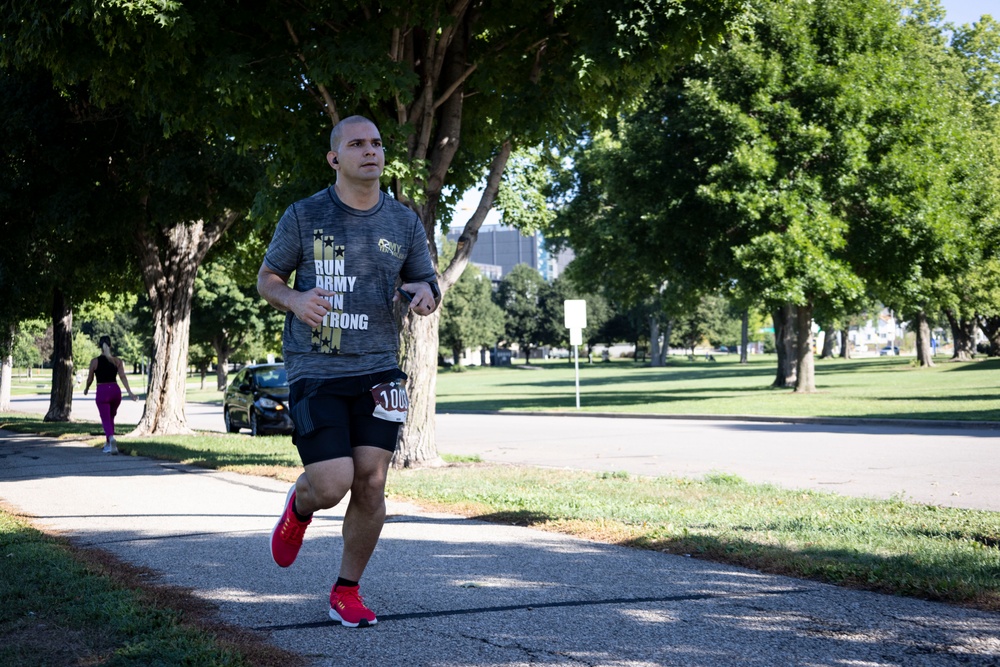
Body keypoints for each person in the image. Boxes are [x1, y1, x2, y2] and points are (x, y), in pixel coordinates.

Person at [257, 115, 440, 628]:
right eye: (356, 144)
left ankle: (346, 590)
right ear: (335, 158)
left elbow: (426, 282)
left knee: (372, 483)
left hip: (381, 367)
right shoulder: (304, 214)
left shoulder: (403, 222)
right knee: (333, 483)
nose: (370, 151)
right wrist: (294, 299)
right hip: (316, 367)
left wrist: (425, 295)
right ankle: (301, 504)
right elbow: (267, 277)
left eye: (377, 143)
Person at [83, 335, 137, 454]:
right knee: (111, 417)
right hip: (115, 391)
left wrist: (86, 388)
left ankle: (111, 439)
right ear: (110, 345)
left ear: (100, 347)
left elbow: (90, 379)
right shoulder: (117, 361)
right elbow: (122, 376)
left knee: (105, 418)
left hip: (102, 391)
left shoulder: (94, 361)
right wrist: (129, 392)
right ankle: (109, 444)